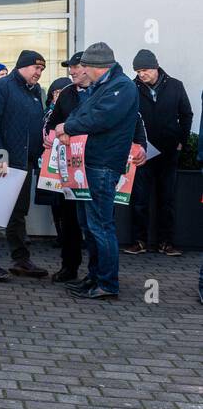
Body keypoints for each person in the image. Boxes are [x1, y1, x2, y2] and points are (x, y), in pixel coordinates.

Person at [55, 43, 142, 301]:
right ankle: (94, 277)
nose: (82, 72)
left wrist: (67, 127)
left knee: (101, 226)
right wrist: (69, 126)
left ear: (96, 67)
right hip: (90, 163)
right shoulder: (104, 86)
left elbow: (101, 118)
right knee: (89, 225)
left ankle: (107, 283)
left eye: (85, 67)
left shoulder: (121, 87)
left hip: (102, 164)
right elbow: (86, 113)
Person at [0, 51, 48, 281]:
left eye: (42, 69)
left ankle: (21, 259)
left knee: (18, 213)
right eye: (35, 68)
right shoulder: (2, 87)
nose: (38, 73)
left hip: (23, 161)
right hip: (1, 161)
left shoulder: (35, 92)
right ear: (22, 66)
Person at [127, 49, 192, 256]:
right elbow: (126, 116)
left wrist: (181, 140)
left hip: (168, 151)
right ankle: (139, 241)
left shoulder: (175, 86)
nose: (140, 74)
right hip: (142, 152)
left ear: (156, 67)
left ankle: (166, 242)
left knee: (167, 199)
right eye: (137, 71)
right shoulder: (131, 88)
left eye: (144, 69)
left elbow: (186, 114)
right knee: (139, 199)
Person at [38, 65, 81, 283]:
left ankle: (98, 273)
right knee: (69, 218)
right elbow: (50, 122)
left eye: (76, 68)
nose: (72, 72)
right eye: (70, 69)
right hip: (67, 168)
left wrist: (68, 128)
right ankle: (69, 266)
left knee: (96, 224)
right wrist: (51, 133)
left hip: (94, 168)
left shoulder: (105, 91)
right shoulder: (67, 94)